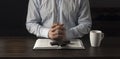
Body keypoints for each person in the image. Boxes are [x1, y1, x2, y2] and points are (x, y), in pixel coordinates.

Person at [26, 0, 92, 41]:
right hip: (44, 41)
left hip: (72, 42)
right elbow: (31, 23)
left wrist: (68, 33)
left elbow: (86, 23)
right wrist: (47, 33)